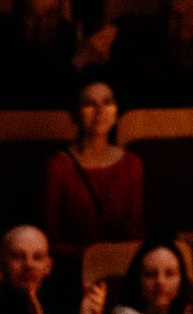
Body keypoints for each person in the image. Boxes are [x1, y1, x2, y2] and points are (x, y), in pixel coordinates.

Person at [40, 79, 141, 257]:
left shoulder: (131, 164)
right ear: (76, 113)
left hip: (120, 264)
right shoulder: (58, 167)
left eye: (107, 102)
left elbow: (136, 233)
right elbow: (49, 237)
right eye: (89, 104)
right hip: (70, 265)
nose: (100, 111)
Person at [0, 0, 119, 112]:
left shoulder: (67, 35)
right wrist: (78, 62)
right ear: (19, 14)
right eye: (31, 14)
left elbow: (85, 100)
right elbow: (33, 99)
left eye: (50, 14)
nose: (41, 24)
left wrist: (101, 63)